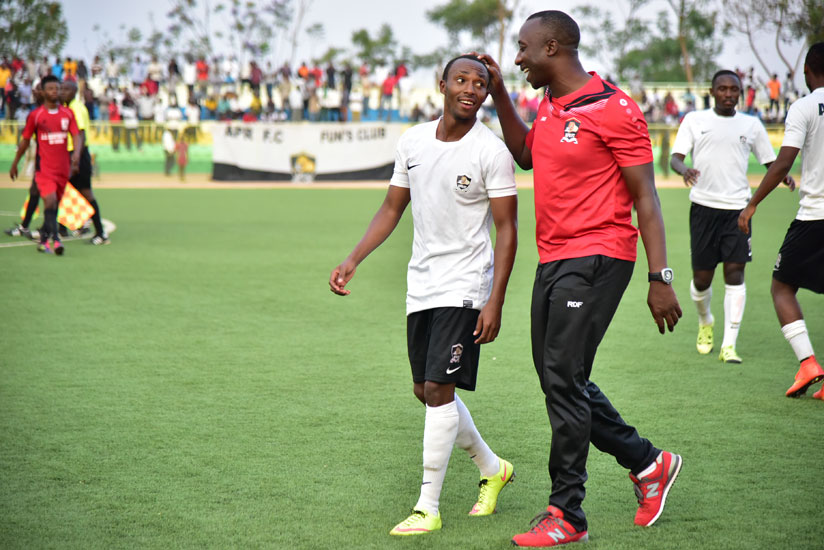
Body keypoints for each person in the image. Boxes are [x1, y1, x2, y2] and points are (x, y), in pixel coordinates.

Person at [476, 10, 683, 547]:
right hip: (553, 260)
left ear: (551, 48)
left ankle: (567, 514)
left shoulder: (615, 108)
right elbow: (525, 155)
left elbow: (647, 199)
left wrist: (660, 276)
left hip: (599, 257)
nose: (517, 58)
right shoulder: (550, 105)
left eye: (522, 49)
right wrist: (499, 91)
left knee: (563, 379)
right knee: (558, 379)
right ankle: (648, 463)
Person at [329, 54, 518, 537]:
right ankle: (493, 467)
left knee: (439, 390)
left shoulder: (491, 151)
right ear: (442, 86)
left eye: (480, 82)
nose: (470, 89)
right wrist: (354, 257)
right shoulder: (412, 140)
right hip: (423, 284)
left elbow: (507, 229)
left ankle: (427, 506)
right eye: (461, 80)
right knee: (426, 391)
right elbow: (392, 207)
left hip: (466, 285)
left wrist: (494, 299)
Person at [670, 70, 794, 364]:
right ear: (711, 92)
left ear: (740, 93)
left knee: (735, 273)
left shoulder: (751, 125)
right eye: (722, 89)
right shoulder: (694, 120)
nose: (728, 94)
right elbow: (675, 157)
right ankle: (705, 322)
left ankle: (729, 344)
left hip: (738, 211)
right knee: (702, 279)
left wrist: (784, 176)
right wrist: (683, 170)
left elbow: (769, 161)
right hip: (703, 209)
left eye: (733, 90)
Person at [738, 42, 824, 400]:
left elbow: (784, 162)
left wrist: (752, 204)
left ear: (807, 72)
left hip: (815, 216)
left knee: (782, 285)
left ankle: (808, 363)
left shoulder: (804, 106)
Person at [8, 75, 82, 255]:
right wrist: (15, 163)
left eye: (57, 88)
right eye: (50, 89)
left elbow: (77, 135)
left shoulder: (68, 113)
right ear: (43, 92)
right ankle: (56, 241)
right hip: (45, 170)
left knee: (54, 205)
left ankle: (43, 241)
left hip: (63, 169)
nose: (55, 92)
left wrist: (76, 157)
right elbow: (25, 141)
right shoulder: (36, 115)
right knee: (50, 201)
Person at [61, 80, 110, 245]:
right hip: (71, 154)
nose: (63, 92)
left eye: (67, 89)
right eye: (62, 89)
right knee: (67, 191)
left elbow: (80, 135)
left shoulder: (76, 108)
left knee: (86, 193)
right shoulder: (68, 108)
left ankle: (101, 233)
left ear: (74, 91)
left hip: (78, 155)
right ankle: (66, 227)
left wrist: (75, 159)